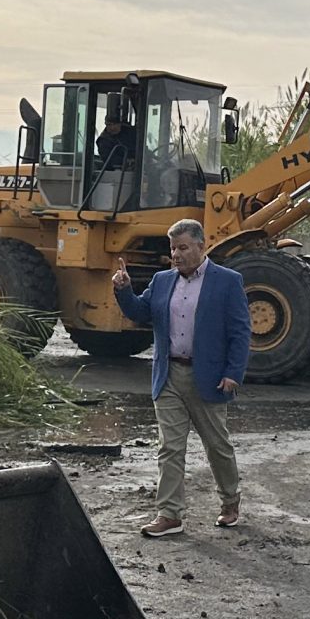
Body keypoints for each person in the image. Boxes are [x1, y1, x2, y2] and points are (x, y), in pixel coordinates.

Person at [112, 219, 250, 537]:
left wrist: (233, 373)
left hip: (210, 377)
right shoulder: (162, 281)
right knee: (170, 449)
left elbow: (240, 331)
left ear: (202, 246)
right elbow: (139, 312)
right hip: (169, 375)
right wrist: (123, 290)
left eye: (183, 247)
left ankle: (230, 502)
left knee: (217, 445)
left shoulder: (227, 281)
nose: (176, 254)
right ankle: (170, 514)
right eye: (173, 248)